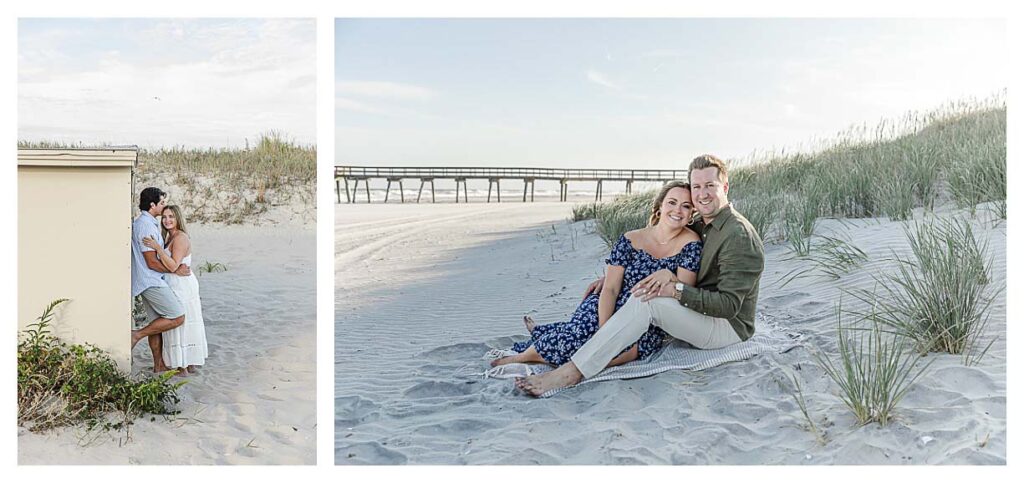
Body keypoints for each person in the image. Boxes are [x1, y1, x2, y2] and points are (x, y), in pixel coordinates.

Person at [516, 154, 765, 396]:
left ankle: (572, 372)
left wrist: (675, 289)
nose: (702, 194)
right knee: (630, 299)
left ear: (725, 187)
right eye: (697, 186)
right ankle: (559, 343)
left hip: (727, 327)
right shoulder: (703, 223)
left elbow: (730, 306)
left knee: (649, 301)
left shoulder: (737, 235)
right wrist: (616, 278)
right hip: (700, 311)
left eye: (710, 185)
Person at [491, 181, 702, 369]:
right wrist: (605, 331)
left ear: (692, 213)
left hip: (647, 314)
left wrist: (670, 276)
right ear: (660, 206)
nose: (678, 210)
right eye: (672, 202)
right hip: (607, 303)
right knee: (579, 337)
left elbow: (683, 293)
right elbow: (610, 288)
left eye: (686, 206)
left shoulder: (691, 244)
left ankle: (542, 334)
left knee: (615, 354)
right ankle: (525, 356)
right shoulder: (631, 239)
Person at [142, 205, 208, 375]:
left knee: (181, 322)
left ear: (178, 218)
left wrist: (157, 248)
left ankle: (183, 367)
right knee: (181, 321)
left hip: (182, 285)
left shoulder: (179, 238)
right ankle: (187, 365)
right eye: (164, 217)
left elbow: (172, 265)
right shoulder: (170, 237)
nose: (167, 220)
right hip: (175, 282)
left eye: (171, 216)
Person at [131, 187, 191, 373]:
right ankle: (135, 335)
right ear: (152, 205)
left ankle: (159, 365)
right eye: (162, 203)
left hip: (149, 280)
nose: (164, 207)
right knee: (177, 316)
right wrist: (174, 269)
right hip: (151, 281)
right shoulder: (145, 226)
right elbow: (151, 262)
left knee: (156, 323)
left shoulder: (147, 223)